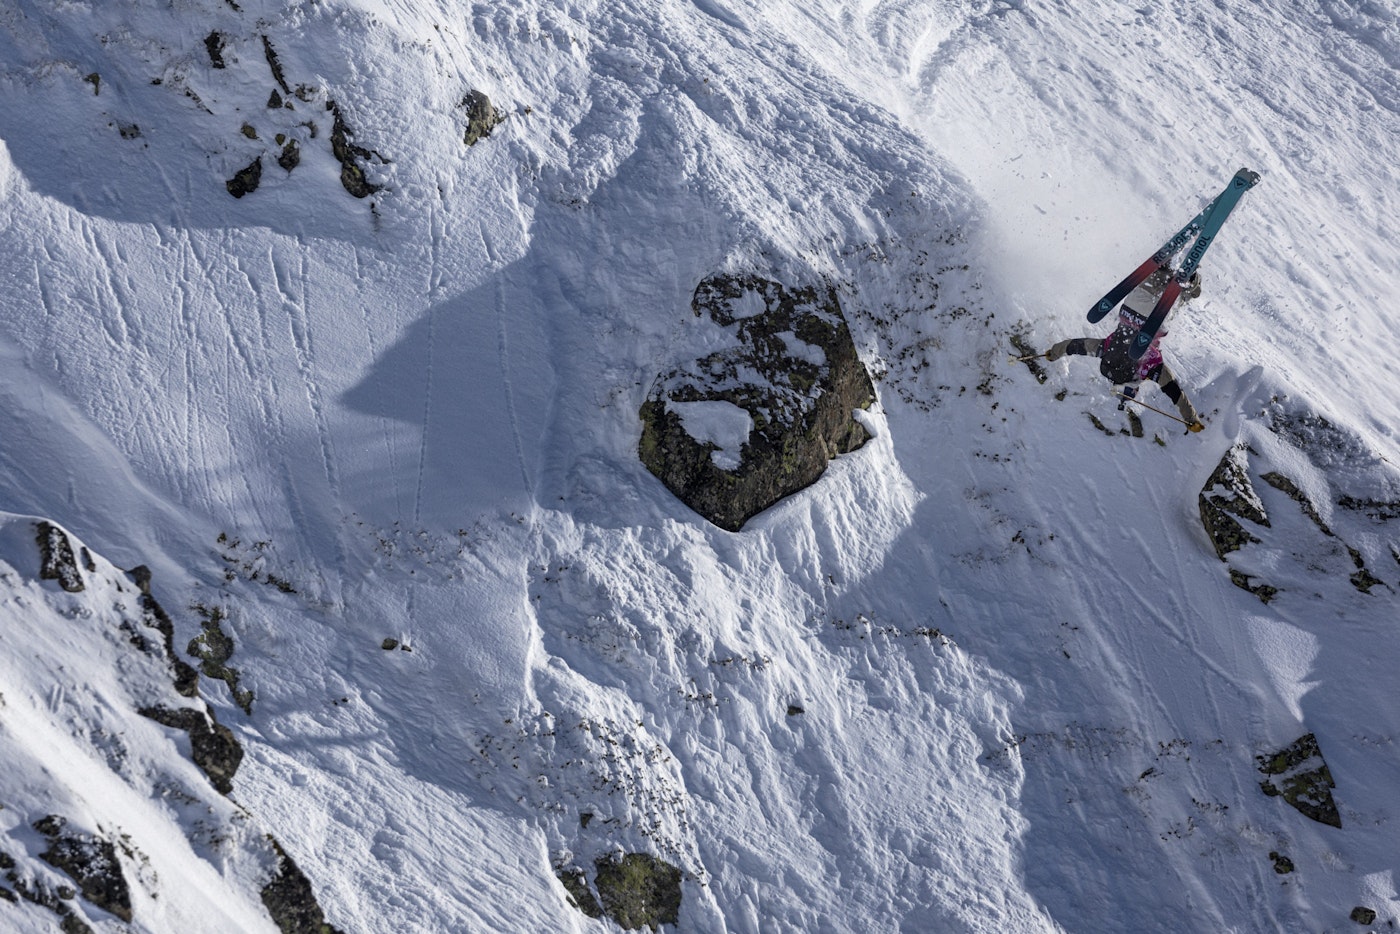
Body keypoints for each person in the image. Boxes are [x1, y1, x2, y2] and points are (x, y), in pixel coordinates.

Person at [1045, 268, 1205, 431]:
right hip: (1133, 305)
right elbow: (1077, 346)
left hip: (1155, 318)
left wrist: (1191, 419)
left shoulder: (1148, 370)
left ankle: (1189, 285)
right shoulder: (1106, 352)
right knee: (1158, 277)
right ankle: (1165, 268)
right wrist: (1055, 352)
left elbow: (1176, 393)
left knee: (1174, 305)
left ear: (1134, 387)